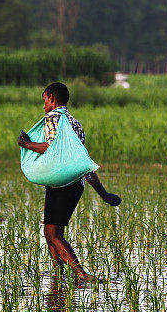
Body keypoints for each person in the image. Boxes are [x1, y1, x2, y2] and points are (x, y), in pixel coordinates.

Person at [17, 82, 121, 285]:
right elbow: (80, 161)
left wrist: (27, 144)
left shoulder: (53, 118)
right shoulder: (74, 122)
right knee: (52, 232)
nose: (44, 106)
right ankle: (58, 276)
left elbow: (52, 148)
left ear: (52, 98)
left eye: (45, 100)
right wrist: (104, 194)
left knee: (52, 233)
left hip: (63, 186)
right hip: (75, 185)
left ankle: (81, 274)